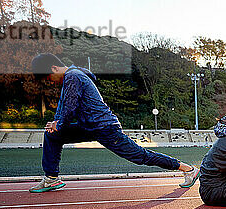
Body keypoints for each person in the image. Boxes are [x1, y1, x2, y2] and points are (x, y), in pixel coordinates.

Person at [28, 53, 199, 193]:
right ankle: (51, 178)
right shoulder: (71, 76)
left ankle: (188, 170)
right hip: (89, 126)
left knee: (140, 156)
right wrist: (56, 123)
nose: (51, 81)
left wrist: (59, 122)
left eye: (49, 78)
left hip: (104, 127)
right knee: (53, 135)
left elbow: (70, 105)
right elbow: (64, 104)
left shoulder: (73, 76)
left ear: (54, 68)